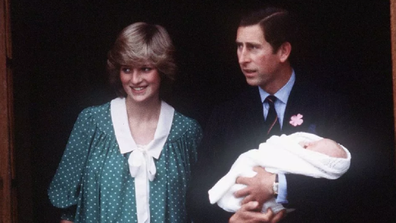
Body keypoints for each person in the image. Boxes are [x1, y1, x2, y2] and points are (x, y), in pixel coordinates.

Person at [187, 6, 355, 223]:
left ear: (283, 51)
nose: (242, 58)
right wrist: (230, 220)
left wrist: (277, 185)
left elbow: (348, 187)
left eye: (254, 48)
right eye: (239, 47)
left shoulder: (329, 108)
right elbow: (198, 194)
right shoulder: (225, 116)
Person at [48, 22, 202, 223]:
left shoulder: (186, 133)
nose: (135, 79)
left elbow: (199, 208)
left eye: (145, 68)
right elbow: (67, 209)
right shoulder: (92, 123)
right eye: (127, 69)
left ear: (162, 70)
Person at [209, 132, 351, 214]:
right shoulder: (227, 110)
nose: (307, 143)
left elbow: (345, 186)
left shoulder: (330, 105)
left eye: (313, 146)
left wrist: (275, 184)